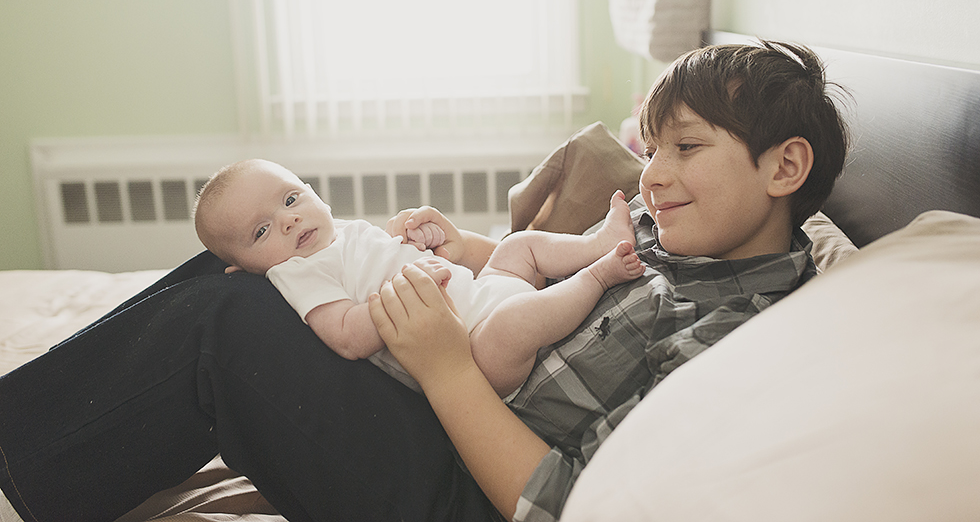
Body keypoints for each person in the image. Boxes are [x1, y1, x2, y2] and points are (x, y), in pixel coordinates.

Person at [0, 40, 849, 522]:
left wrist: (442, 364)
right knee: (259, 265)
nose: (654, 175)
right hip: (460, 401)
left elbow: (564, 504)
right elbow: (532, 267)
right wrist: (467, 247)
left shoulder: (732, 331)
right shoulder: (677, 239)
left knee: (229, 321)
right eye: (651, 146)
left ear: (786, 167)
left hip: (469, 491)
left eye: (686, 148)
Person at [192, 158, 644, 396]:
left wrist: (420, 238)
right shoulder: (297, 272)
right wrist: (406, 288)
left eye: (290, 200)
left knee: (515, 245)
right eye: (262, 231)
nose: (287, 221)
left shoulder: (340, 233)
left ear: (314, 193)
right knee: (513, 324)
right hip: (474, 351)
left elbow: (403, 255)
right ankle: (598, 277)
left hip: (485, 291)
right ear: (242, 270)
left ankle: (594, 246)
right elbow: (347, 336)